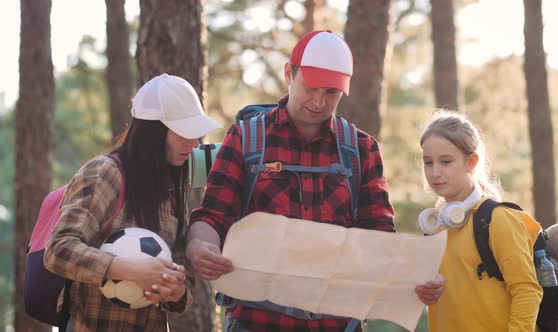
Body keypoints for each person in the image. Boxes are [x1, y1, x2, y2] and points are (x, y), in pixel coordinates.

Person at [186, 30, 445, 331]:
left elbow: (379, 240)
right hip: (255, 322)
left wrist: (417, 278)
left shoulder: (362, 150)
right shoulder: (245, 138)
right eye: (311, 87)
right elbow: (212, 216)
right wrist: (200, 246)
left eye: (332, 93)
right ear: (289, 73)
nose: (319, 102)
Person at [44, 73, 221, 331]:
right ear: (154, 133)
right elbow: (58, 250)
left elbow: (184, 292)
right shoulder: (106, 173)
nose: (194, 144)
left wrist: (176, 290)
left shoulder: (172, 189)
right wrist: (125, 269)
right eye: (184, 133)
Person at [419, 110, 543, 331]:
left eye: (446, 161)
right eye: (428, 162)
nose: (435, 172)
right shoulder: (435, 226)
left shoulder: (499, 220)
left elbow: (527, 290)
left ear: (471, 161)